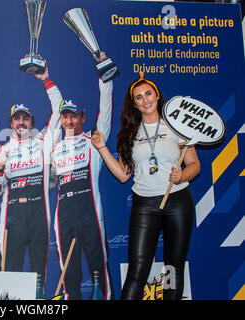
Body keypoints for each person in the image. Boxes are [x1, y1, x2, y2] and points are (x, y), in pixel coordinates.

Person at [91, 72, 200, 300]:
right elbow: (123, 175)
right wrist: (101, 148)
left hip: (178, 201)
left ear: (157, 95)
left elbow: (194, 166)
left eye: (148, 93)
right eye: (138, 97)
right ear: (134, 104)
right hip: (145, 205)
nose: (145, 99)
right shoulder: (129, 135)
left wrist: (182, 176)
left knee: (172, 268)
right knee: (137, 270)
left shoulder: (177, 127)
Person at [0, 59, 62, 291]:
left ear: (32, 122)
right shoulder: (0, 151)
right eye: (17, 118)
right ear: (10, 123)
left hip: (39, 216)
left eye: (25, 118)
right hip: (11, 219)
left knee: (39, 274)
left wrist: (46, 79)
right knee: (10, 275)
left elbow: (59, 109)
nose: (21, 122)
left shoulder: (43, 141)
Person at [50, 52, 114, 300]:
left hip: (91, 214)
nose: (68, 120)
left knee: (100, 270)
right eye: (65, 115)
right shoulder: (54, 148)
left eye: (73, 115)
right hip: (63, 217)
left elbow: (106, 109)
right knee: (70, 276)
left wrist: (104, 76)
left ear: (82, 117)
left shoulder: (93, 141)